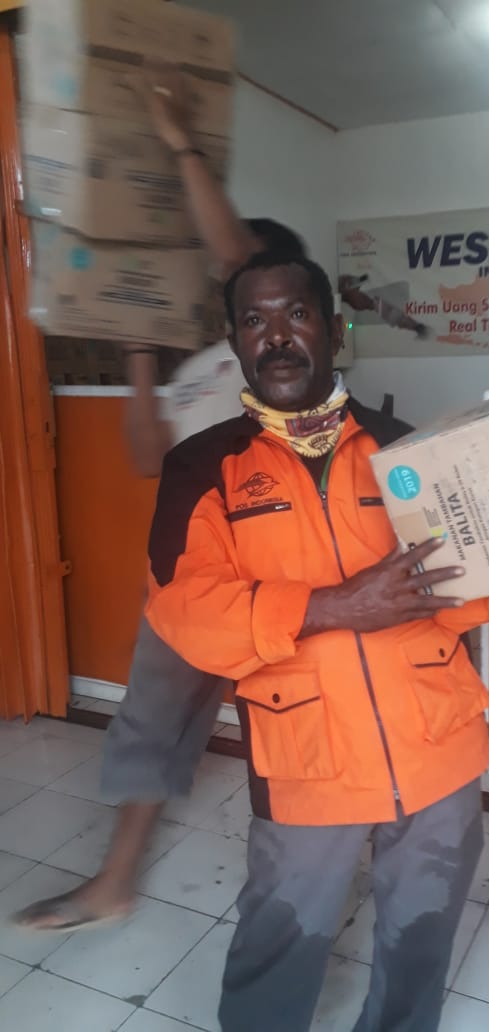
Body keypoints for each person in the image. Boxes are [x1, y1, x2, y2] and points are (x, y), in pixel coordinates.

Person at [143, 246, 489, 1031]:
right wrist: (335, 606)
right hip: (308, 761)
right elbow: (186, 613)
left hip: (436, 749)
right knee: (279, 946)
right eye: (254, 320)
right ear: (235, 341)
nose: (277, 336)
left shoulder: (408, 451)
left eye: (296, 313)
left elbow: (466, 582)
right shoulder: (204, 468)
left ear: (334, 330)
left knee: (420, 941)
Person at [13, 77, 308, 932]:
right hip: (198, 583)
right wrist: (139, 352)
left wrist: (179, 142)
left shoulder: (290, 360)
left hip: (291, 577)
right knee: (150, 725)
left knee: (312, 731)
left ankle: (316, 884)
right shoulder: (203, 371)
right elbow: (147, 455)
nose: (230, 286)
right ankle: (113, 883)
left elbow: (237, 258)